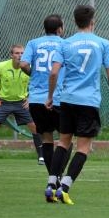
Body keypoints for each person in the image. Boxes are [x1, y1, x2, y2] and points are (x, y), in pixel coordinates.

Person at [44, 4, 109, 205]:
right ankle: (65, 187)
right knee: (84, 147)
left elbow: (54, 73)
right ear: (92, 22)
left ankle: (51, 184)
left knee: (63, 142)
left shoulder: (65, 43)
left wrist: (51, 96)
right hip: (88, 101)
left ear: (75, 22)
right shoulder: (103, 43)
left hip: (67, 99)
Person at [20, 14, 73, 180]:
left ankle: (52, 176)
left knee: (47, 138)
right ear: (60, 29)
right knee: (67, 139)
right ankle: (58, 174)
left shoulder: (33, 43)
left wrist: (33, 74)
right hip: (58, 97)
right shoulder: (66, 44)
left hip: (36, 99)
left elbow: (22, 64)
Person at [0, 44, 43, 164]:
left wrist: (30, 98)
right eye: (17, 53)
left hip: (22, 103)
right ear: (11, 55)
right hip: (2, 103)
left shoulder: (29, 67)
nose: (20, 55)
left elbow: (38, 83)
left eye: (22, 53)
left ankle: (41, 157)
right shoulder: (1, 66)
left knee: (35, 126)